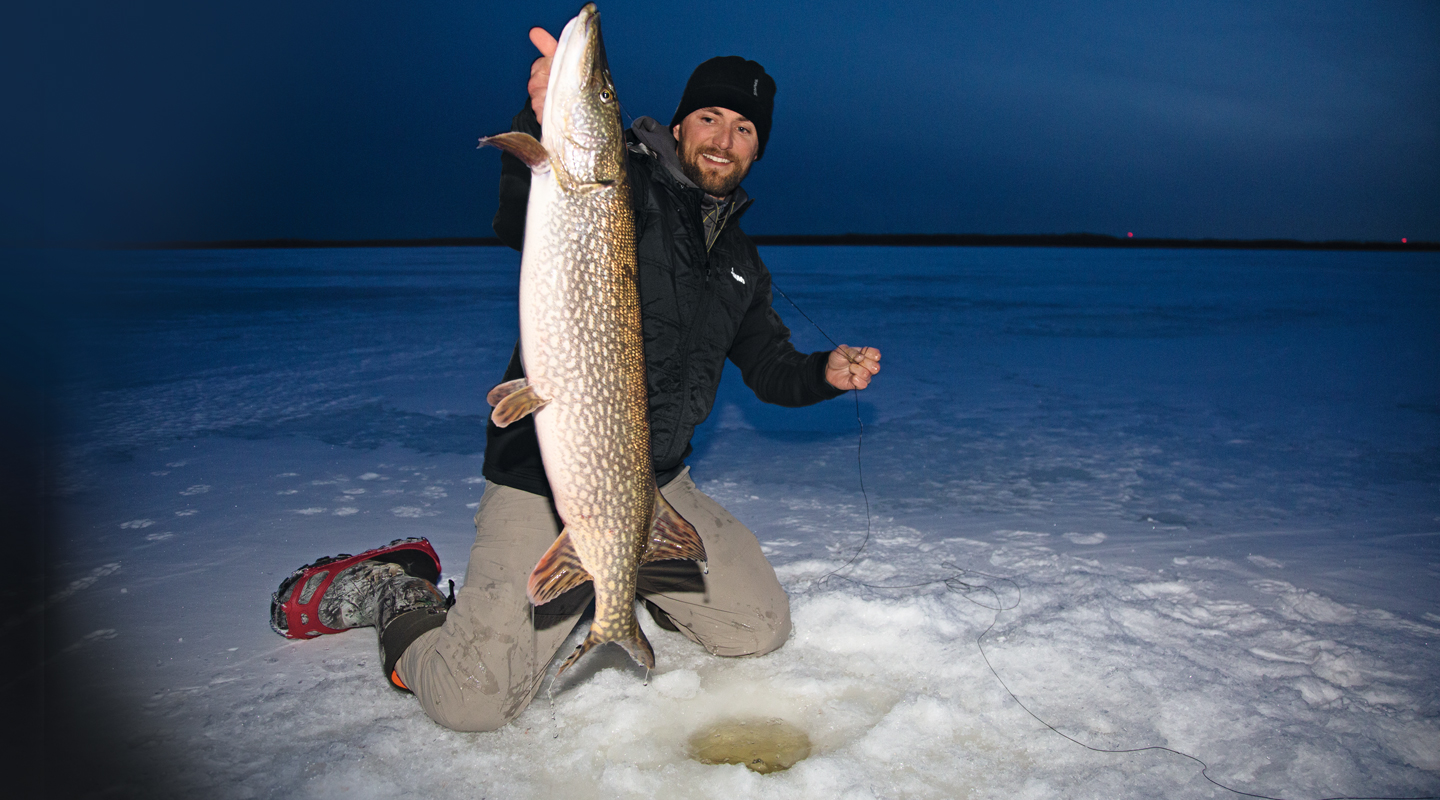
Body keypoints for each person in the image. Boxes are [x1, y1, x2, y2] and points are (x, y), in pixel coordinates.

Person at [268, 25, 881, 733]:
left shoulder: (741, 258)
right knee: (470, 705)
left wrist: (824, 374)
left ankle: (627, 577)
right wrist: (545, 117)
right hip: (544, 470)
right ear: (679, 124)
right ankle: (397, 594)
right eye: (710, 117)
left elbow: (770, 367)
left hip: (653, 480)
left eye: (745, 128)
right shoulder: (611, 183)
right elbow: (518, 213)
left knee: (756, 628)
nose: (724, 138)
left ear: (757, 148)